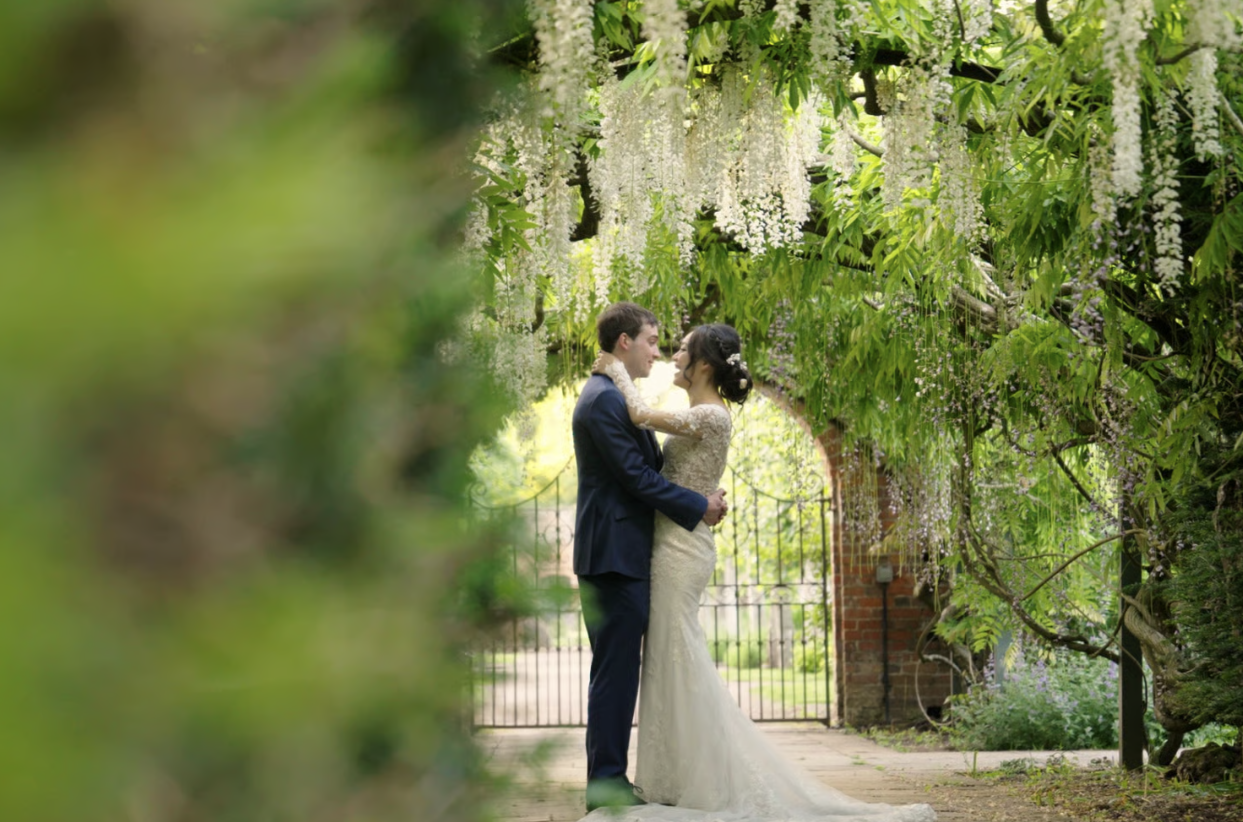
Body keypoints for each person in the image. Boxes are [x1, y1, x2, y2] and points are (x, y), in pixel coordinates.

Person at [586, 324, 936, 822]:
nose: (671, 355)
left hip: (679, 551)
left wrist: (614, 369)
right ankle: (674, 775)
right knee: (666, 658)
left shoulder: (709, 415)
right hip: (670, 542)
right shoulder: (696, 413)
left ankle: (705, 774)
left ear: (703, 365)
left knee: (677, 655)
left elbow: (639, 415)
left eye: (681, 349)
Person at [572, 302, 729, 813]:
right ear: (624, 343)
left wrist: (700, 490)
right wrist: (698, 505)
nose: (658, 353)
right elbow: (637, 479)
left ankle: (616, 779)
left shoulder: (616, 395)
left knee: (619, 670)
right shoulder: (602, 401)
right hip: (613, 555)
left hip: (629, 552)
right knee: (614, 672)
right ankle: (607, 785)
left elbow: (654, 465)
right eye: (651, 342)